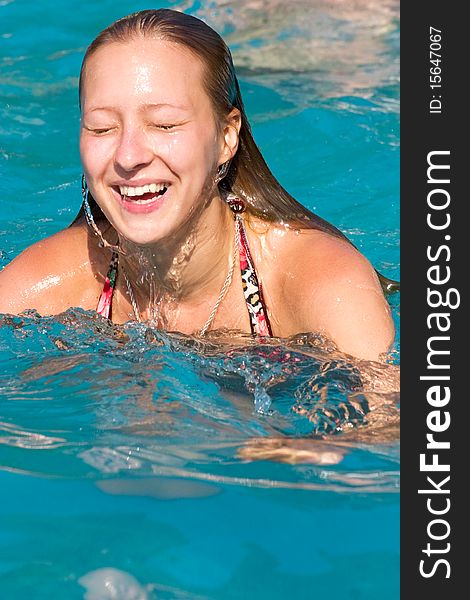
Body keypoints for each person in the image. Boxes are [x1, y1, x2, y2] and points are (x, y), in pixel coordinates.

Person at [0, 8, 398, 362]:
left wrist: (313, 446)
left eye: (165, 125)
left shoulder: (318, 281)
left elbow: (394, 423)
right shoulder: (54, 281)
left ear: (226, 137)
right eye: (102, 128)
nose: (127, 155)